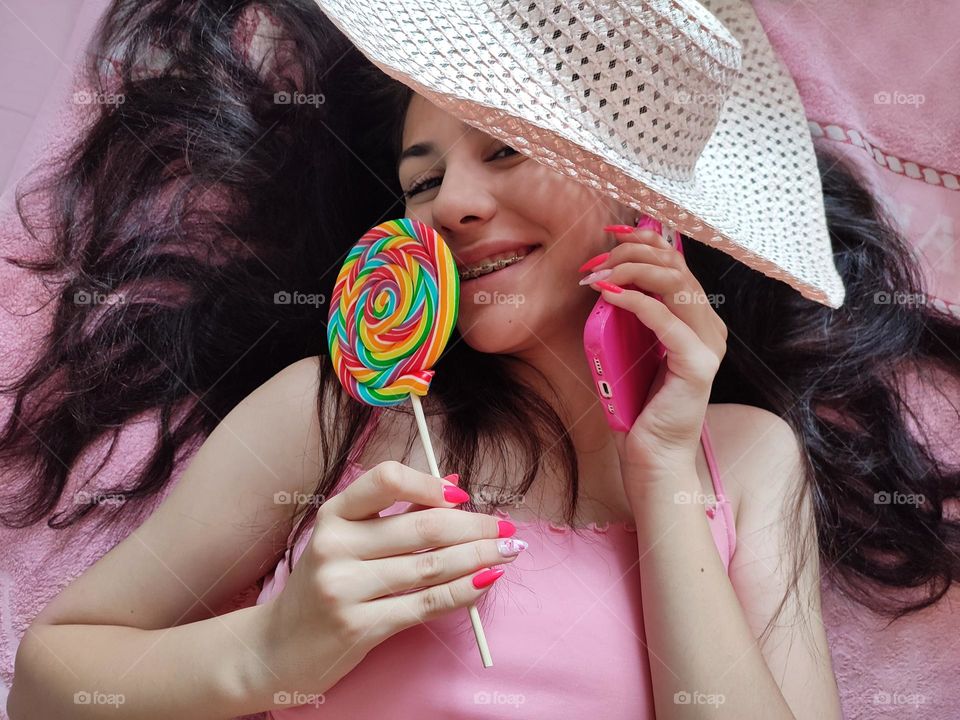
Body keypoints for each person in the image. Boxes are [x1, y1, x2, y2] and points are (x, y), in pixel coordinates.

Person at [5, 1, 960, 718]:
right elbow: (47, 681)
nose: (452, 205)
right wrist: (270, 650)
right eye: (422, 178)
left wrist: (665, 470)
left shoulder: (746, 458)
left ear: (636, 193)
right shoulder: (338, 416)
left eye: (503, 150)